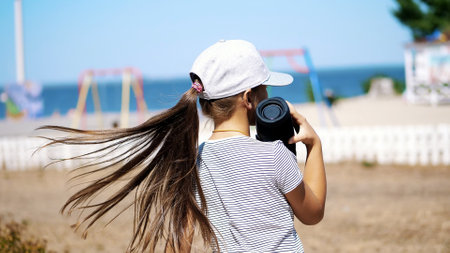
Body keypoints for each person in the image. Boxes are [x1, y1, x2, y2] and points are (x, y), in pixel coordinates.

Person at [38, 39, 326, 253]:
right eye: (265, 89)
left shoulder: (193, 162)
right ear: (249, 98)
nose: (268, 97)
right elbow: (312, 213)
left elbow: (178, 244)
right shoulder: (274, 154)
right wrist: (314, 146)